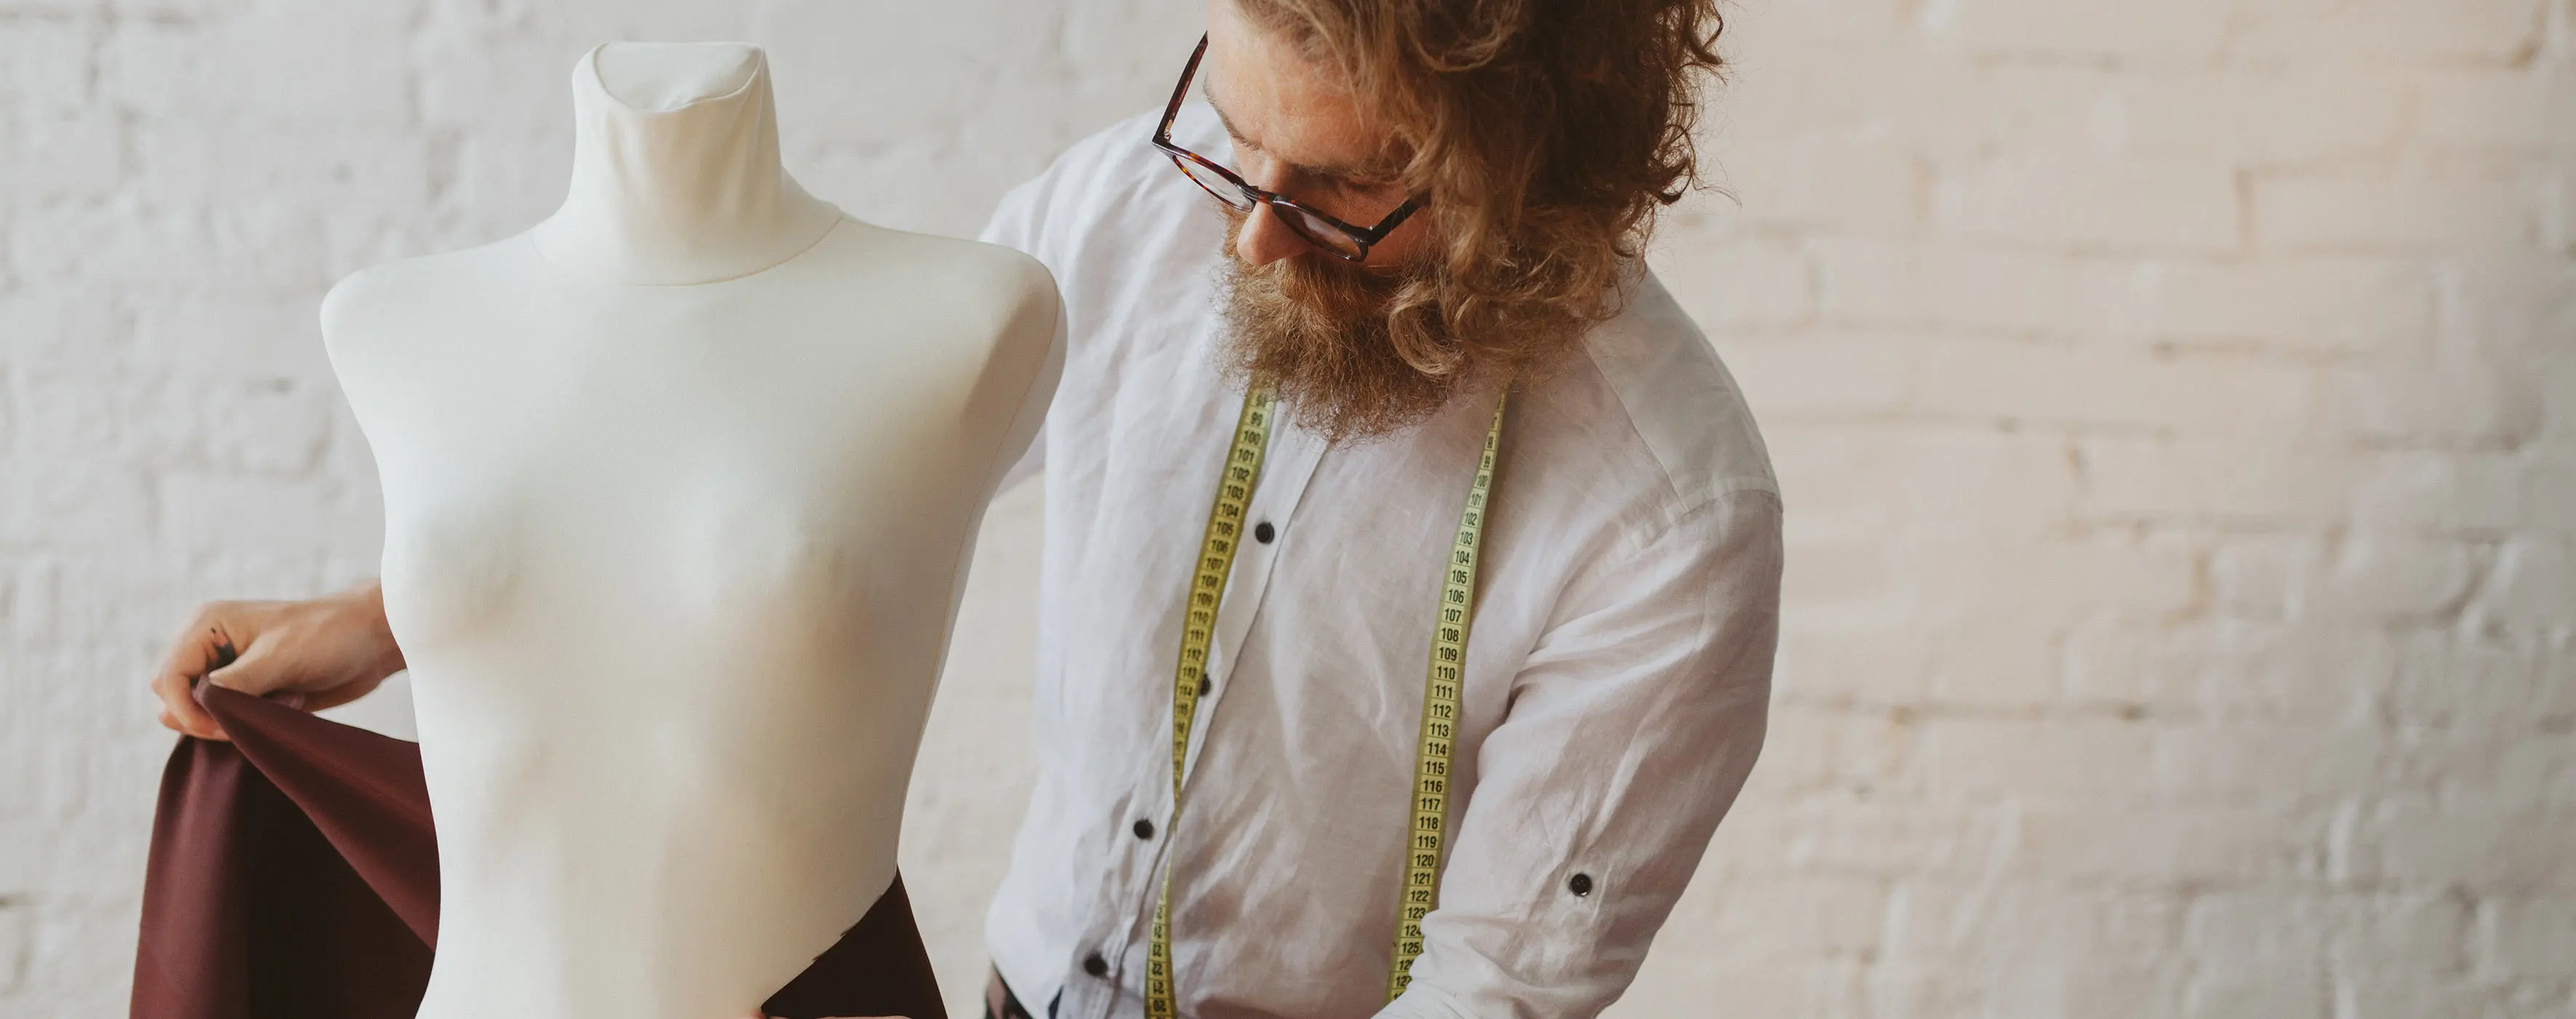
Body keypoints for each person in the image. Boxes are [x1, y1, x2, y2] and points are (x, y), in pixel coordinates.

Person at [149, 1, 1781, 1018]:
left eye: (1341, 194)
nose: (1247, 242)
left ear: (1526, 166)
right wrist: (390, 617)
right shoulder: (1117, 210)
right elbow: (820, 500)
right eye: (1234, 140)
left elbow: (1499, 986)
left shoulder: (1665, 517)